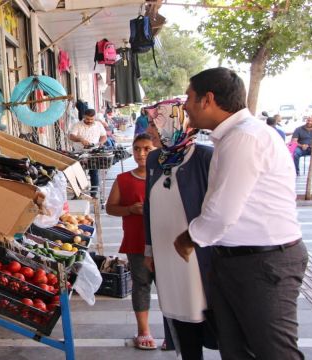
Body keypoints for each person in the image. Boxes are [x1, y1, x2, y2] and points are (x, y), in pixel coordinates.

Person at [174, 67, 307, 359]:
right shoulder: (233, 136)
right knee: (235, 350)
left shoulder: (244, 138)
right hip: (236, 261)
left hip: (264, 263)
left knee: (274, 352)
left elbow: (222, 212)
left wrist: (190, 237)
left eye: (189, 97)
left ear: (207, 99)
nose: (185, 105)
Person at [143, 99, 215, 360]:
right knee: (177, 310)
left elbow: (217, 208)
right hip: (165, 252)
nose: (150, 130)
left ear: (174, 123)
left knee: (204, 308)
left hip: (197, 253)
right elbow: (149, 208)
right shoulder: (155, 159)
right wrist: (149, 249)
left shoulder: (205, 157)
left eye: (154, 123)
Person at [105, 133, 157, 350]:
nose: (141, 153)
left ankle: (174, 335)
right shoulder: (123, 179)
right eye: (137, 149)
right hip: (136, 242)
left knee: (170, 288)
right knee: (141, 285)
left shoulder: (166, 177)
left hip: (165, 242)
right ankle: (143, 331)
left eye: (147, 149)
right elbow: (110, 207)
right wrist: (129, 210)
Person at [69, 108, 107, 197]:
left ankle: (93, 193)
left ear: (94, 118)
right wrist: (80, 139)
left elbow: (104, 136)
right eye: (87, 119)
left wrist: (101, 142)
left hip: (94, 152)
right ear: (84, 117)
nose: (89, 121)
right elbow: (71, 136)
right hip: (80, 152)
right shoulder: (77, 125)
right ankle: (77, 193)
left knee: (94, 171)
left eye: (91, 119)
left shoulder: (98, 125)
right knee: (79, 172)